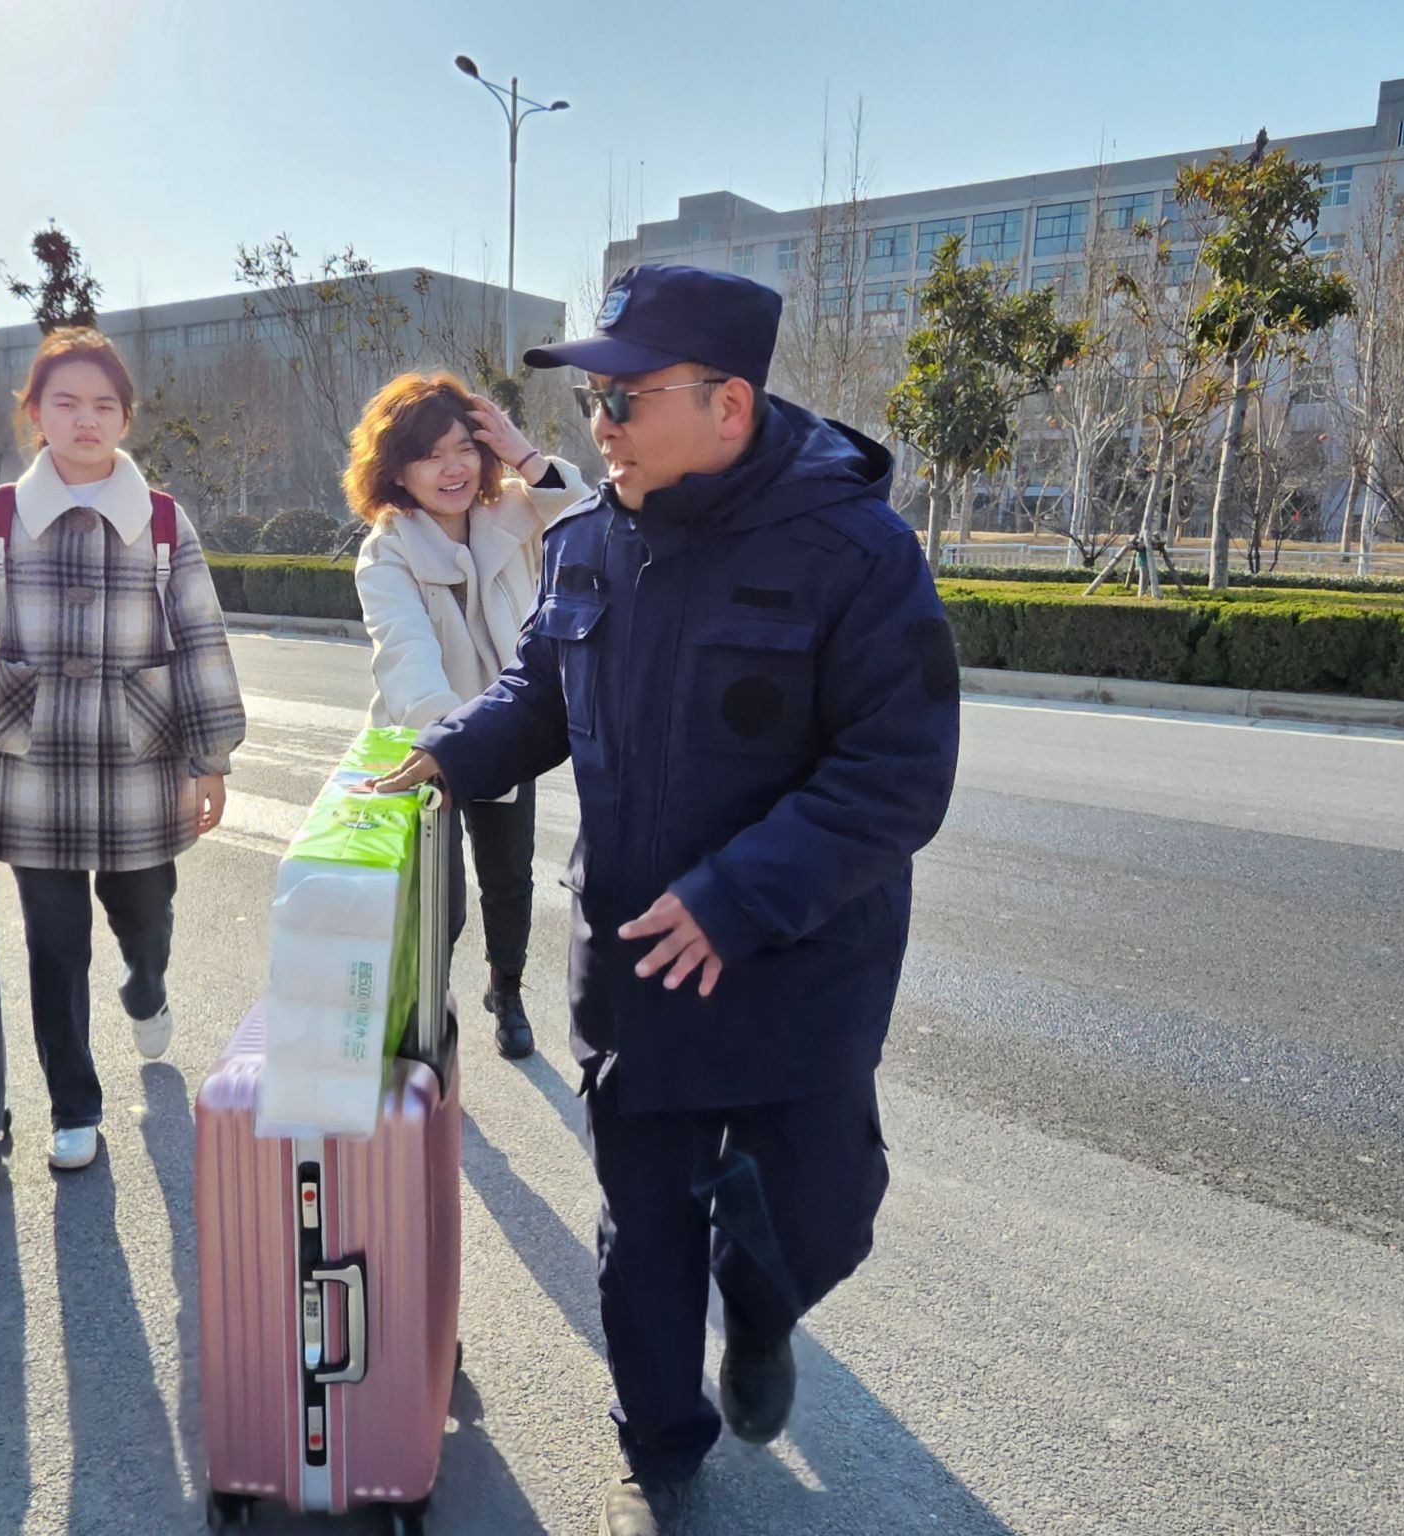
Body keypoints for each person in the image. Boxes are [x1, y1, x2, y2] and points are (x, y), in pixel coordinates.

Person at [360, 265, 961, 1535]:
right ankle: (659, 1452)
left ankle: (762, 1301)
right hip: (636, 952)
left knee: (822, 1215)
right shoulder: (587, 540)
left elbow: (895, 774)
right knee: (642, 1231)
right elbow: (537, 691)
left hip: (800, 966)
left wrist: (737, 897)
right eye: (592, 400)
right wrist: (450, 752)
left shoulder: (856, 553)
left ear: (726, 404)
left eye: (624, 398)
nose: (600, 426)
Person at [0, 326, 246, 1172]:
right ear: (36, 414)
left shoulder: (161, 519)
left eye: (103, 405)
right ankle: (74, 1107)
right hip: (33, 763)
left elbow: (200, 637)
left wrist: (211, 757)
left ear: (126, 417)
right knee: (54, 945)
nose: (86, 420)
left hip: (139, 760)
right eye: (66, 403)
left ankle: (146, 989)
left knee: (146, 918)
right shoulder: (4, 513)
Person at [346, 373, 588, 1058]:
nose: (452, 468)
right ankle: (426, 1004)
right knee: (438, 897)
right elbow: (405, 653)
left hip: (511, 730)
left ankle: (506, 990)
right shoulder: (387, 550)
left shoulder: (516, 510)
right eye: (429, 455)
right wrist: (453, 745)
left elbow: (594, 521)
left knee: (509, 879)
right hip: (431, 743)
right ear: (396, 470)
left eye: (464, 448)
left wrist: (525, 455)